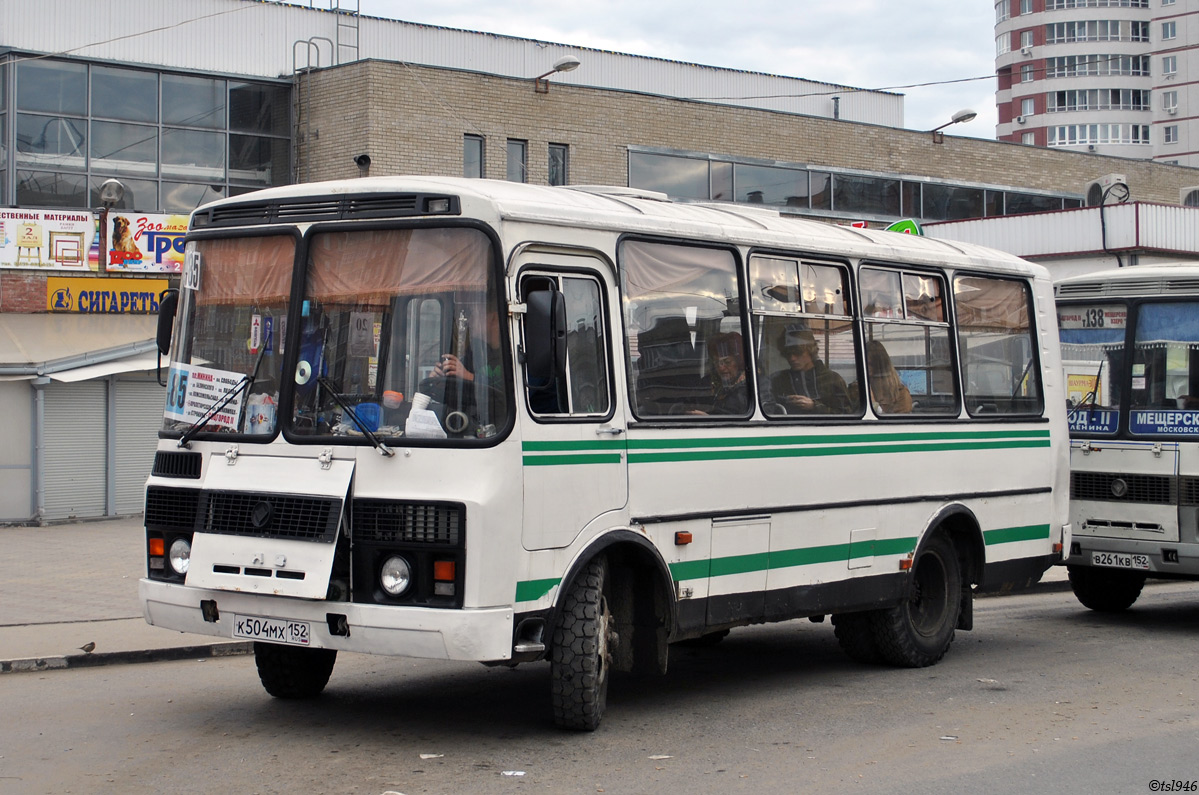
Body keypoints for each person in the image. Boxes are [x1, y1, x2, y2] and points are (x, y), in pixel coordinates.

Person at [770, 325, 852, 414]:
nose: (792, 358)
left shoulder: (831, 379)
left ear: (810, 350)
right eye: (788, 354)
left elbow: (847, 414)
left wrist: (814, 406)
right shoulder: (779, 380)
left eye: (797, 352)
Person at [688, 332, 748, 415]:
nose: (721, 368)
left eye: (727, 362)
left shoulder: (754, 386)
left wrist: (709, 419)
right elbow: (689, 403)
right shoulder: (707, 382)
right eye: (717, 362)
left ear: (738, 361)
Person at [866, 339, 912, 414]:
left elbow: (896, 423)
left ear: (879, 367)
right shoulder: (857, 389)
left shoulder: (901, 394)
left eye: (870, 364)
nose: (866, 369)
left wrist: (874, 405)